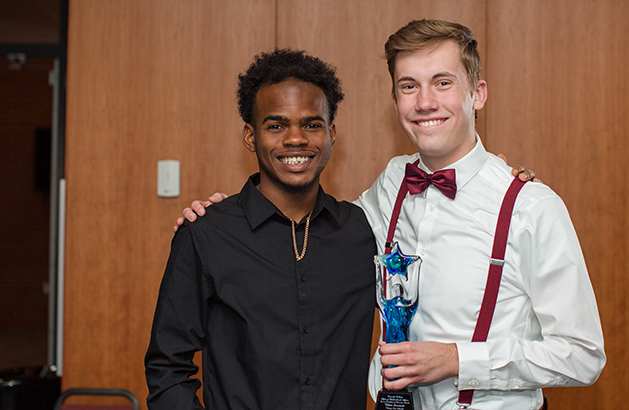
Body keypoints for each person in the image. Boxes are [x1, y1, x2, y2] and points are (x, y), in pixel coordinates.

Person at [178, 19, 593, 410]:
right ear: (395, 100)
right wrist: (224, 215)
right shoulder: (393, 182)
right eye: (409, 86)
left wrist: (457, 360)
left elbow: (582, 356)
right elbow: (309, 223)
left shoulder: (531, 207)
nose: (425, 102)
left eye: (443, 83)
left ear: (478, 93)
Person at [144, 49, 379, 409]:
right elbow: (167, 367)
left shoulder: (363, 233)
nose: (296, 139)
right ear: (250, 136)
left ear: (331, 134)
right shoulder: (206, 234)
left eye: (312, 124)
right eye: (276, 125)